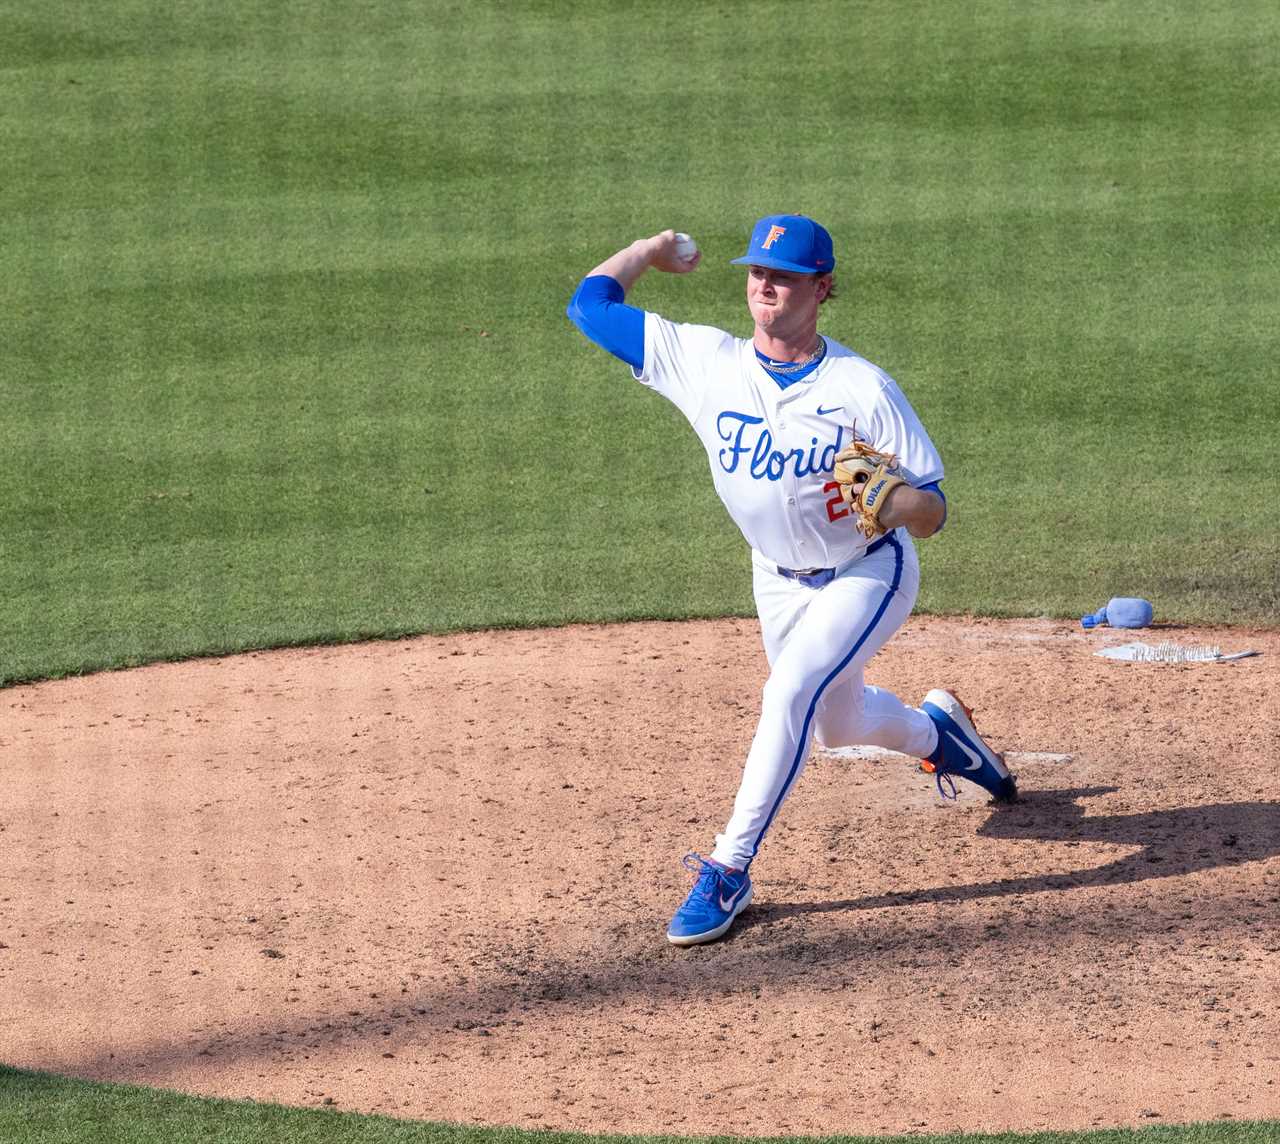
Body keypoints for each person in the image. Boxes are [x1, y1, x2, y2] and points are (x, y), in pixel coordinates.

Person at [566, 214, 1017, 947]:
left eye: (783, 276)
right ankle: (943, 737)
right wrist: (647, 252)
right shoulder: (705, 361)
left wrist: (901, 502)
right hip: (774, 581)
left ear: (823, 287)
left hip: (867, 573)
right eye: (756, 273)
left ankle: (727, 867)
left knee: (790, 691)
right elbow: (590, 307)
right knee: (836, 724)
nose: (765, 286)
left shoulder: (862, 388)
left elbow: (934, 511)